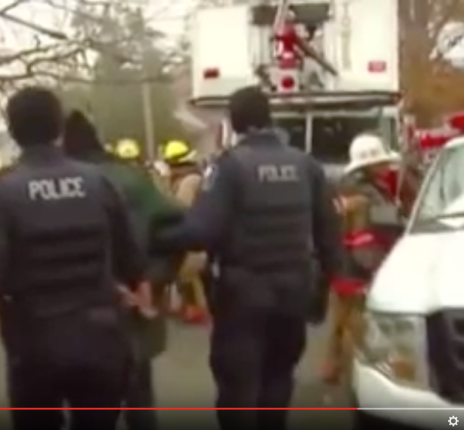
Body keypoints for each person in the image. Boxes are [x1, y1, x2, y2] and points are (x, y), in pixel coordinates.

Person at [0, 87, 153, 430]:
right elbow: (131, 255)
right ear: (59, 128)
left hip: (34, 344)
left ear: (12, 132)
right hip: (100, 336)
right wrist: (140, 294)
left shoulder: (2, 194)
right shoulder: (98, 182)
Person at [156, 86, 343, 430]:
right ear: (269, 117)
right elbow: (329, 232)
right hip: (293, 292)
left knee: (238, 388)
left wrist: (160, 237)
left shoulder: (229, 167)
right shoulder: (305, 164)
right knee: (279, 378)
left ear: (234, 121)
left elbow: (202, 232)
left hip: (243, 296)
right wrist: (328, 284)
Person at [61, 110, 184, 430]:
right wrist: (153, 282)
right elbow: (176, 230)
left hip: (82, 314)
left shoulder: (65, 183)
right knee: (139, 398)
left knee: (89, 409)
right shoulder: (133, 179)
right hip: (135, 310)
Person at [321, 134, 405, 385]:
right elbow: (390, 222)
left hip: (345, 259)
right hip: (358, 262)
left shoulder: (349, 189)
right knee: (355, 316)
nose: (386, 165)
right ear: (368, 165)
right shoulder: (365, 194)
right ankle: (372, 366)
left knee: (340, 316)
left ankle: (331, 366)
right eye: (381, 162)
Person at [162, 140, 209, 324]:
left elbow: (181, 206)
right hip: (200, 230)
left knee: (189, 272)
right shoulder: (198, 177)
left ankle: (197, 309)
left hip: (191, 233)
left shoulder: (189, 181)